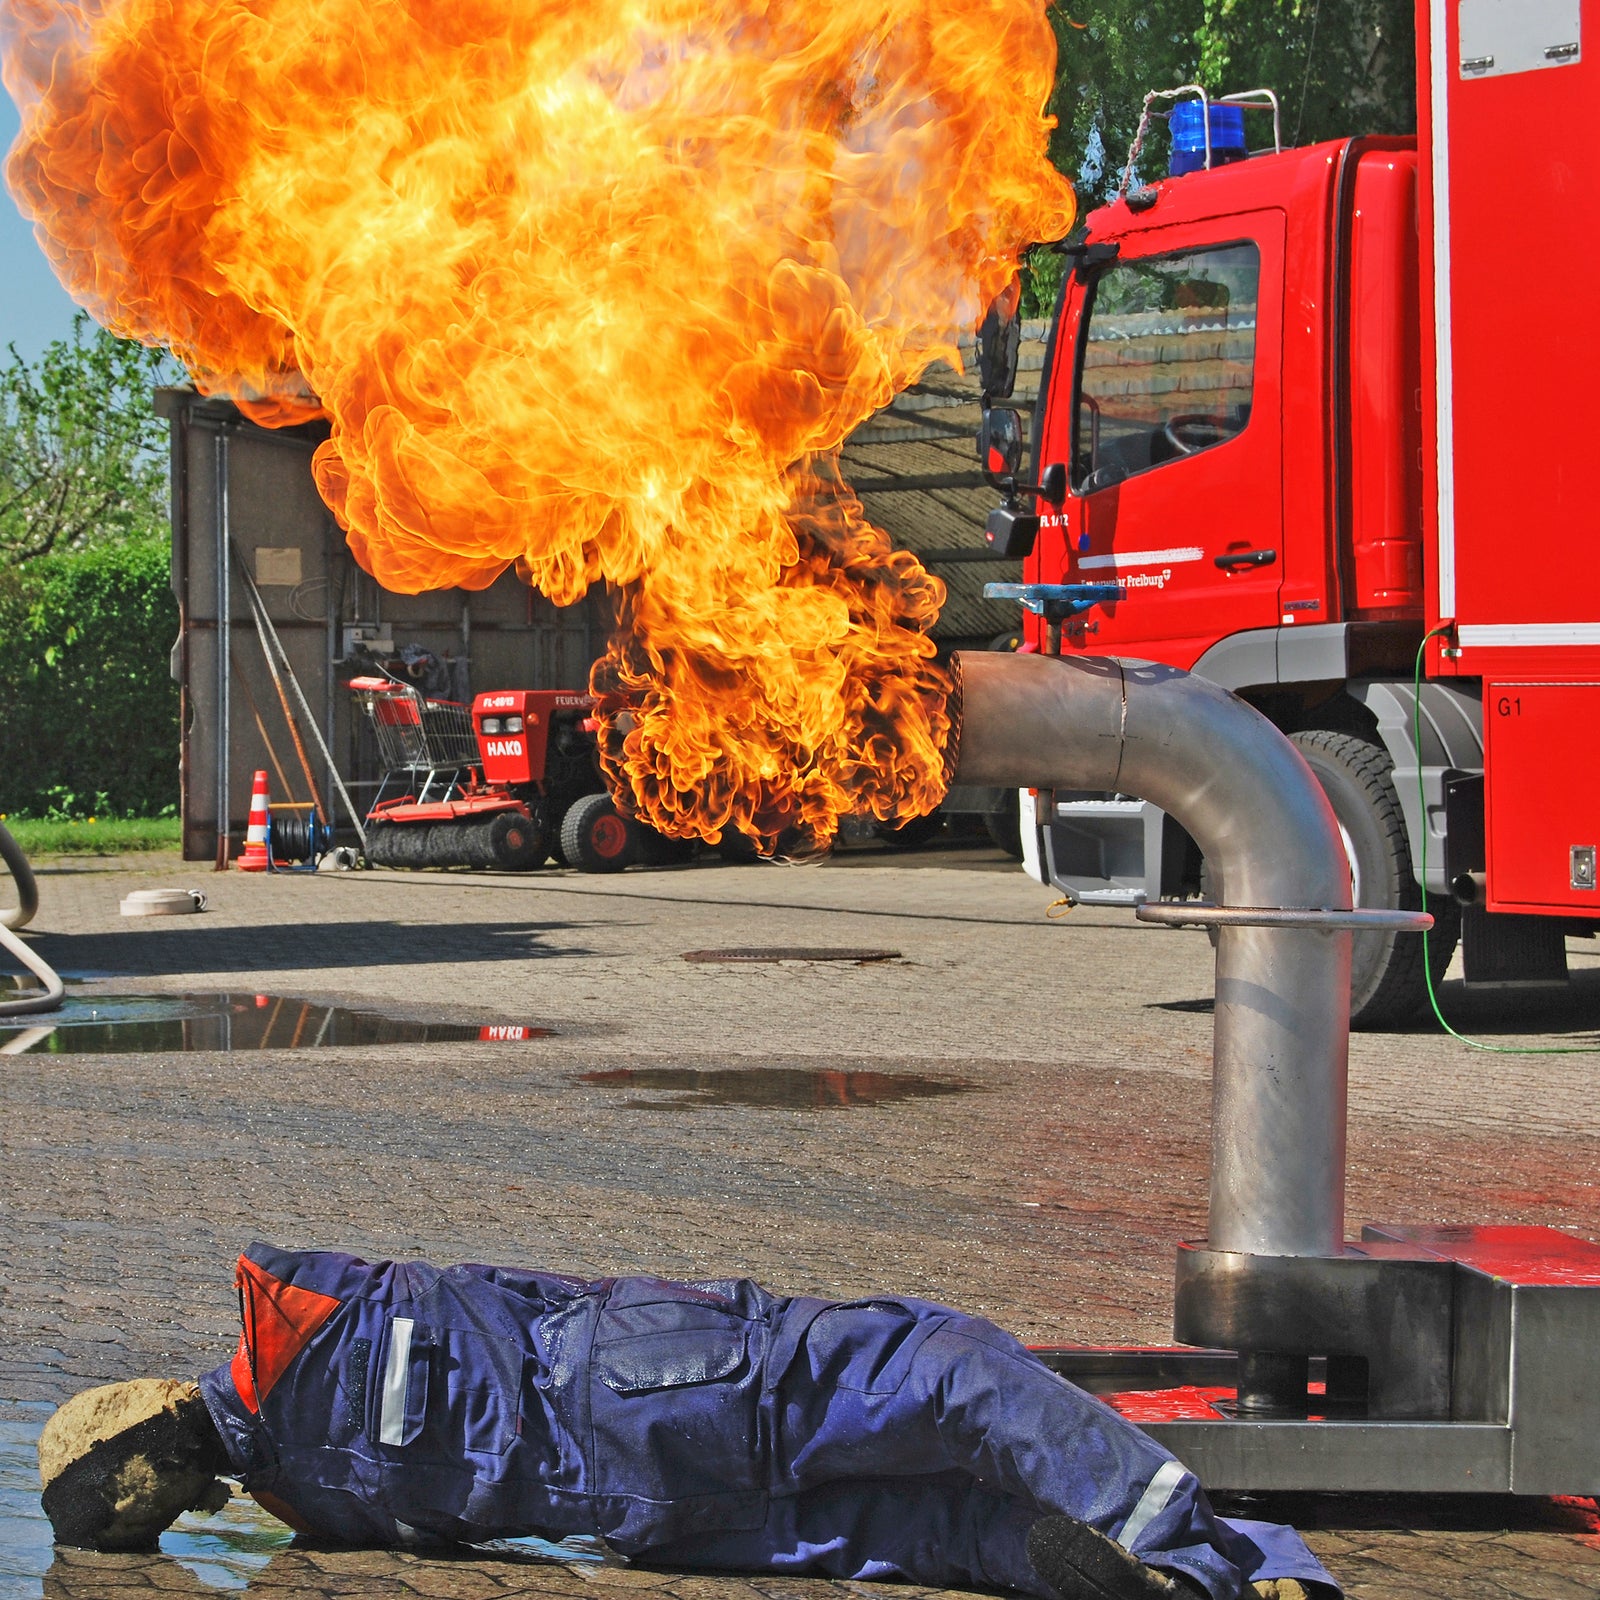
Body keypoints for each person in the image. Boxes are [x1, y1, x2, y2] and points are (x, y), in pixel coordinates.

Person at [38, 1243, 1337, 1600]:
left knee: (920, 1530)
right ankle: (1221, 1554)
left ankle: (1138, 1576)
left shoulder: (306, 1507)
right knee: (943, 1372)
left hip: (652, 1521)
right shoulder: (289, 1310)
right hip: (672, 1383)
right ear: (154, 1402)